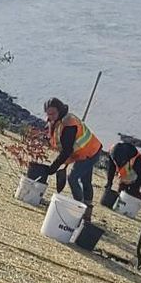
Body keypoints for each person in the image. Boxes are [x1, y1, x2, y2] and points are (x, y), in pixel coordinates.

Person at [42, 97, 103, 227]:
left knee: (73, 178)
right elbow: (55, 137)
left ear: (60, 111)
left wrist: (53, 167)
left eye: (52, 113)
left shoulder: (69, 123)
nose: (50, 116)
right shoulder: (55, 120)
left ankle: (80, 209)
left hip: (91, 151)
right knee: (86, 181)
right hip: (82, 152)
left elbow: (67, 150)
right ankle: (86, 214)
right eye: (48, 114)